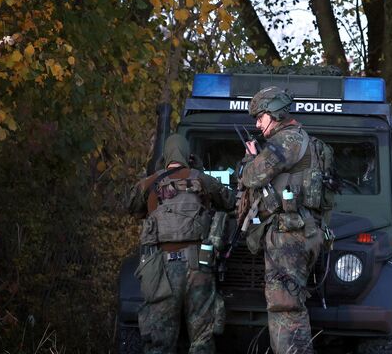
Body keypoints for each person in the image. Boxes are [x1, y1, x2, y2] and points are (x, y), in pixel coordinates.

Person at [128, 133, 235, 354]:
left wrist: (156, 175)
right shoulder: (202, 179)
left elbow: (131, 207)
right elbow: (229, 201)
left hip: (161, 270)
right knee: (202, 339)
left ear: (165, 155)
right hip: (198, 266)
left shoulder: (151, 183)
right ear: (188, 154)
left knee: (160, 341)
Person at [238, 86, 324, 354]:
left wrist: (250, 159)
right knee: (284, 304)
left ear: (274, 113)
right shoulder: (296, 138)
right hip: (297, 231)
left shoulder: (287, 141)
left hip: (289, 235)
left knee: (285, 307)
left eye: (260, 117)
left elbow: (251, 177)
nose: (257, 124)